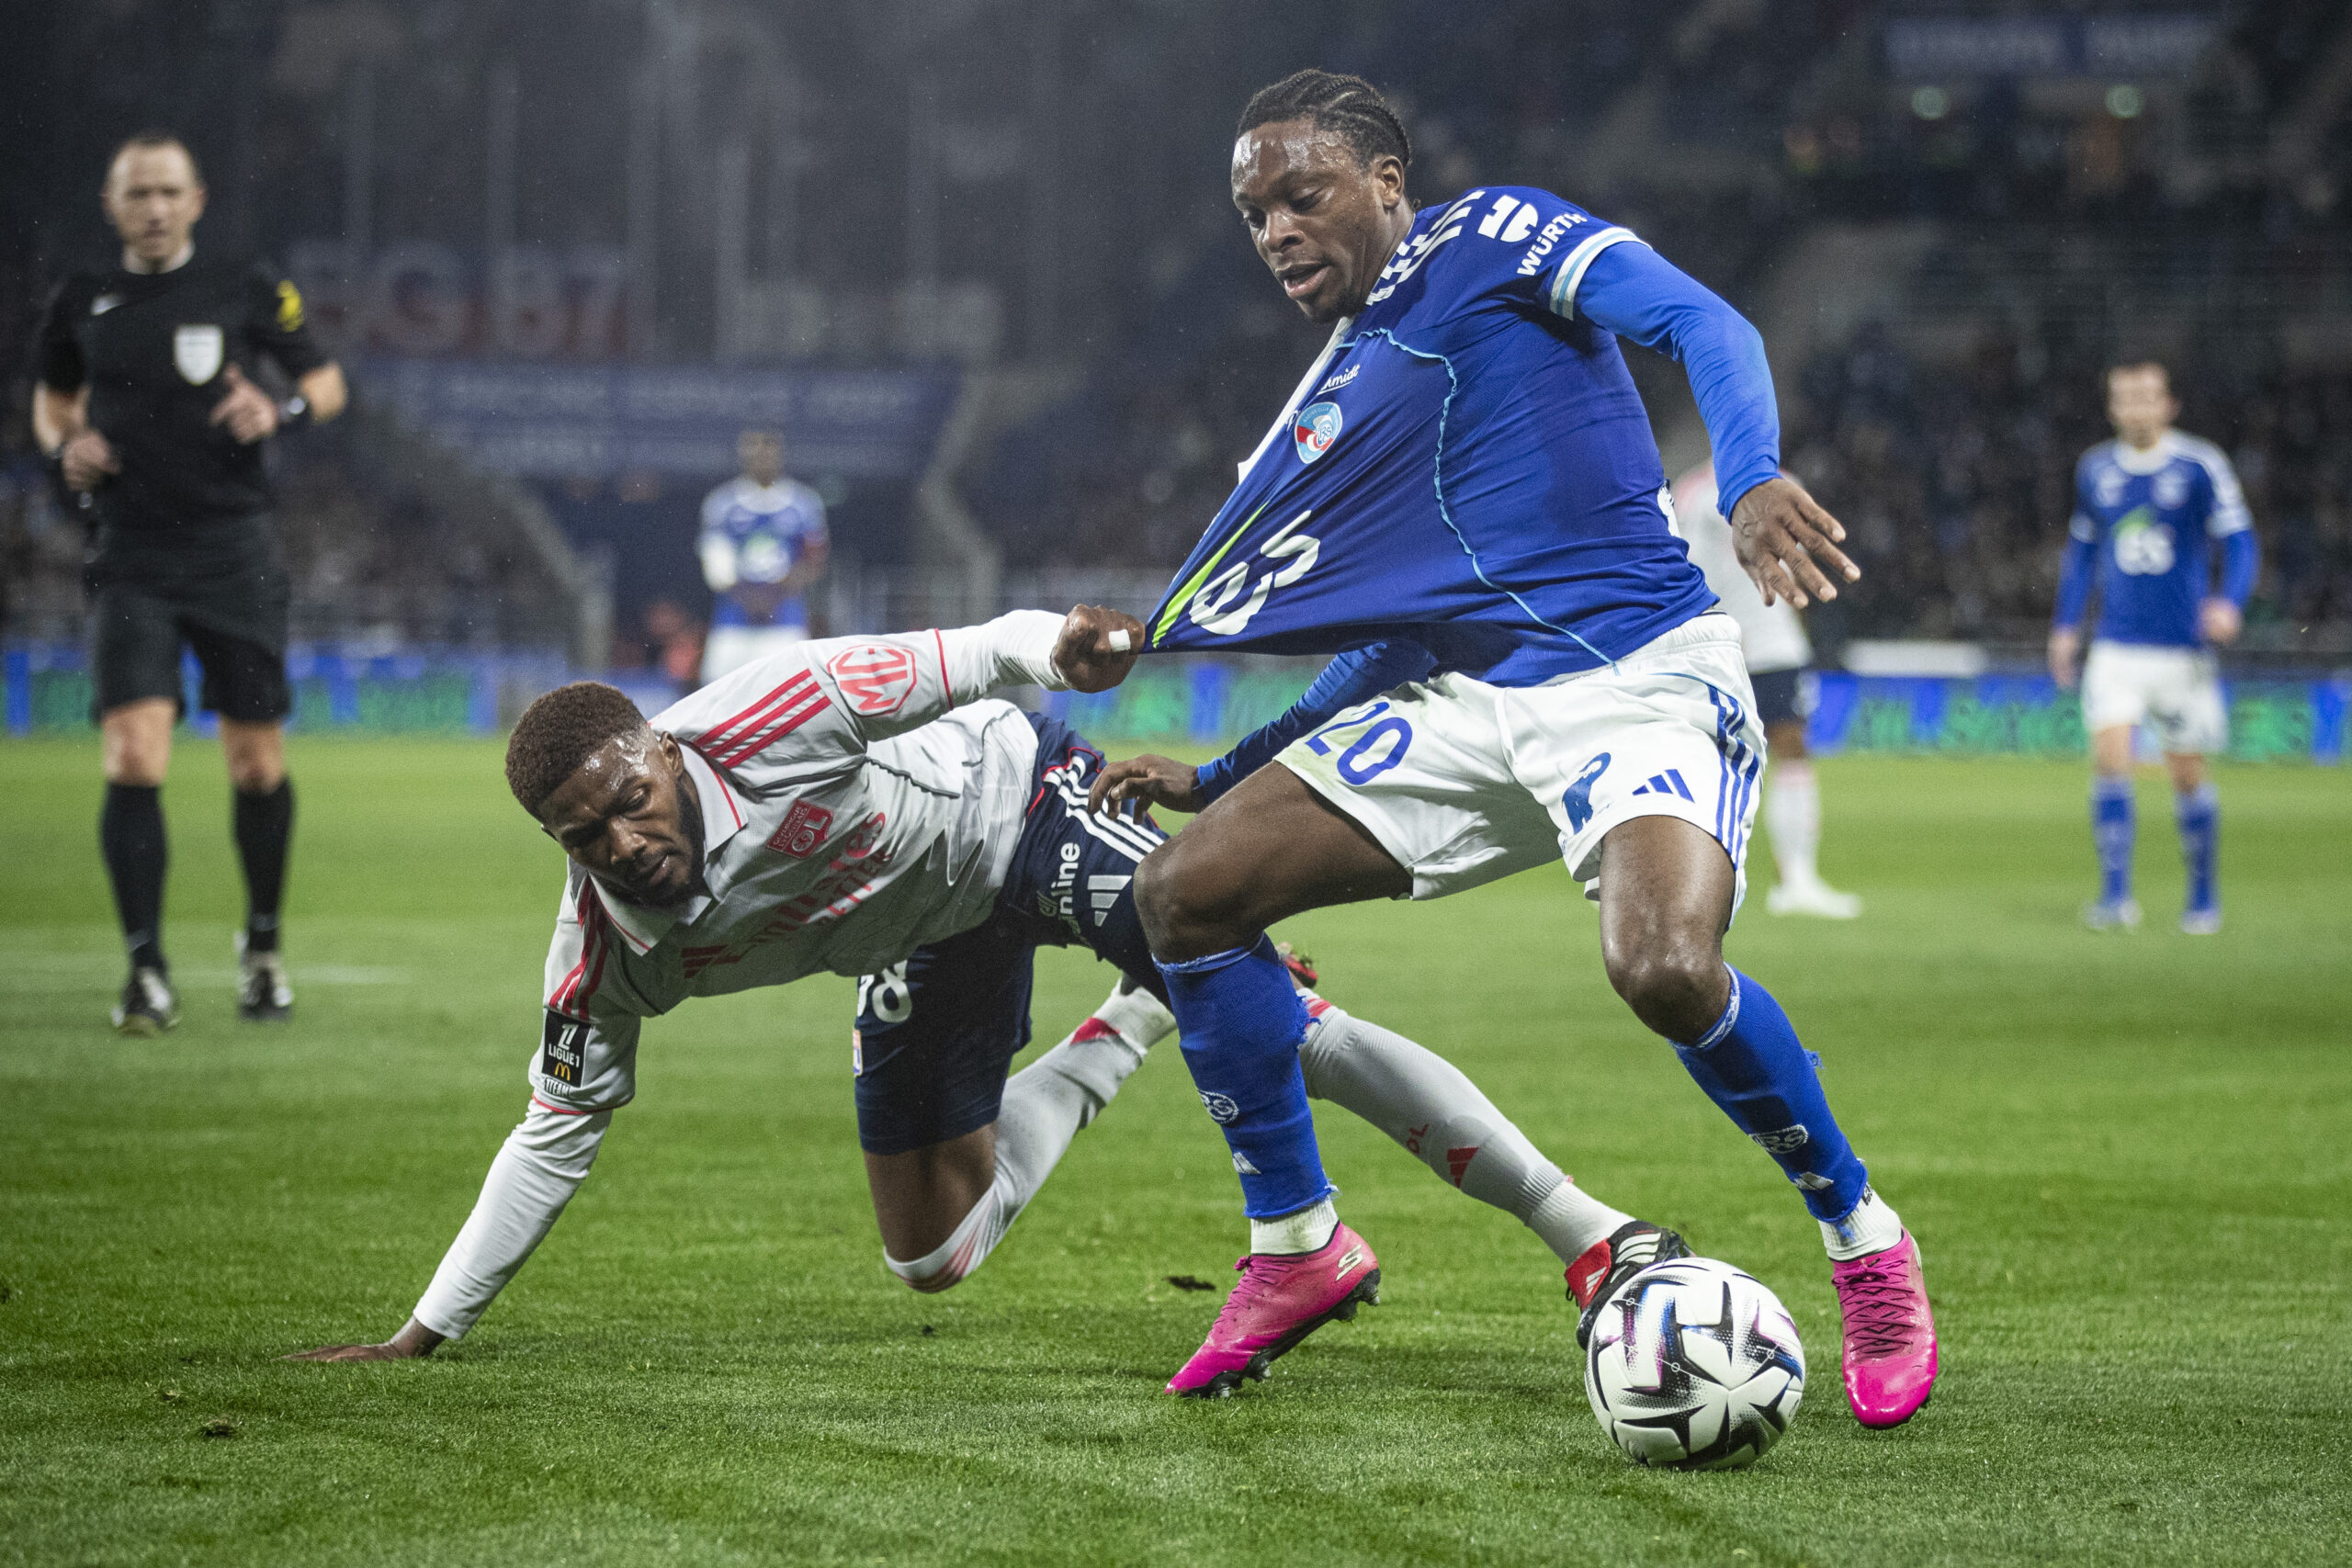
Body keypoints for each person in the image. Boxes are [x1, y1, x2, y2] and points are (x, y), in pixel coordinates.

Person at [1091, 71, 1936, 1425]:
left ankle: (1864, 1241)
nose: (1279, 232)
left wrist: (1754, 468)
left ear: (1384, 179)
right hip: (1479, 701)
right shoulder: (1354, 375)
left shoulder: (1493, 240)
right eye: (1255, 216)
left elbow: (1701, 320)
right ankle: (1296, 1246)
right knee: (1184, 889)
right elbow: (1418, 628)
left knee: (1662, 965)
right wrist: (1235, 765)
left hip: (1640, 678)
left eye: (1303, 195)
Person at [292, 607, 1653, 1361]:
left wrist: (1070, 643)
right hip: (925, 930)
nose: (625, 842)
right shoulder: (601, 953)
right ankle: (1132, 1016)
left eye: (633, 802)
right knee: (932, 1251)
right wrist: (427, 1328)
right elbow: (554, 1132)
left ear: (661, 749)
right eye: (586, 837)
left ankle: (1588, 1230)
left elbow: (975, 651)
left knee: (1273, 1021)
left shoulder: (776, 707)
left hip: (1022, 803)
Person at [31, 131, 349, 1033]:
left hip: (233, 553)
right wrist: (66, 444)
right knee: (134, 755)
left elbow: (325, 384)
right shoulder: (81, 301)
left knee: (256, 764)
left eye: (170, 191)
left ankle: (261, 952)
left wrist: (277, 407)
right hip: (131, 553)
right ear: (112, 205)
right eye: (139, 194)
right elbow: (52, 402)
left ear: (197, 199)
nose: (156, 209)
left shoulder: (246, 286)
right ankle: (146, 970)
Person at [2049, 362, 2256, 935]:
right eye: (2124, 398)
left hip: (2182, 651)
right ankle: (2116, 897)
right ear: (2113, 407)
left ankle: (2202, 895)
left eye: (2146, 397)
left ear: (2170, 404)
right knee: (2111, 759)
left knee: (2187, 774)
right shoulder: (2096, 470)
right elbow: (2082, 554)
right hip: (2116, 645)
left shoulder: (2199, 465)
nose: (2136, 407)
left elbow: (2240, 542)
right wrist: (2066, 626)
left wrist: (2229, 602)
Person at [1674, 461, 1860, 919]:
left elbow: (1799, 568)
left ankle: (1796, 880)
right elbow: (1683, 570)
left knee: (1791, 748)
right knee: (1699, 765)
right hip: (1718, 644)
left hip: (1774, 644)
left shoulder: (1783, 484)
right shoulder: (1696, 493)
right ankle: (1691, 886)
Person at [698, 428, 830, 683]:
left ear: (779, 453)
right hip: (733, 622)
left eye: (767, 447)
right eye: (753, 448)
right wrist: (749, 596)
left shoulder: (804, 503)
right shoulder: (722, 503)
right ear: (742, 454)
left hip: (784, 621)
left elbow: (814, 561)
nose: (761, 455)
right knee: (719, 698)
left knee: (788, 700)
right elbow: (716, 565)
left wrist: (776, 594)